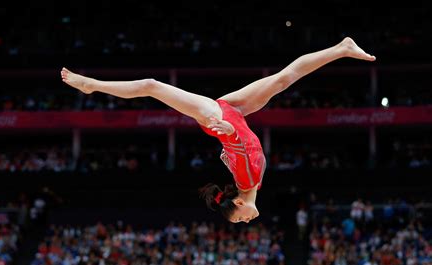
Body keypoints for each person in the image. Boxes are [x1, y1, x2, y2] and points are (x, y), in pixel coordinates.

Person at [61, 37, 375, 223]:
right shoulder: (253, 184)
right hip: (233, 113)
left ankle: (92, 86)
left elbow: (239, 149)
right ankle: (341, 48)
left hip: (220, 119)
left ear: (238, 204)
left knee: (151, 86)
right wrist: (231, 132)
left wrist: (228, 132)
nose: (245, 222)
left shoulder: (246, 181)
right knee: (284, 78)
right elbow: (241, 151)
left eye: (238, 220)